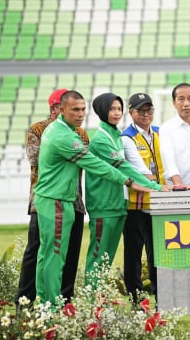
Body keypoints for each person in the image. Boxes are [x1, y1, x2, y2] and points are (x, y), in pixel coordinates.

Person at [34, 90, 154, 305]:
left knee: (48, 254)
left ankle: (45, 303)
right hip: (57, 200)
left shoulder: (67, 131)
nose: (80, 114)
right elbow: (96, 164)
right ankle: (52, 306)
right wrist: (129, 181)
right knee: (55, 255)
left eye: (82, 110)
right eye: (75, 110)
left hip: (57, 198)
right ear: (61, 110)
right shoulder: (64, 136)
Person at [84, 93, 169, 288]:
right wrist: (155, 186)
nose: (116, 113)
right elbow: (125, 167)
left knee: (106, 259)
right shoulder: (102, 139)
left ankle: (97, 302)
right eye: (112, 109)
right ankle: (90, 302)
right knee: (98, 257)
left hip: (117, 204)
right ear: (102, 111)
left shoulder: (114, 135)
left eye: (118, 109)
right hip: (103, 205)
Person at [17, 88, 86, 305]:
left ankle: (64, 298)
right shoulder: (38, 129)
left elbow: (86, 160)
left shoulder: (80, 132)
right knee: (37, 250)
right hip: (45, 199)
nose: (62, 111)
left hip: (73, 198)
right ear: (54, 107)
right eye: (58, 107)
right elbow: (35, 160)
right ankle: (25, 300)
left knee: (70, 251)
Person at [121, 93, 166, 303]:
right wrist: (159, 187)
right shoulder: (126, 137)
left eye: (149, 110)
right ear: (131, 113)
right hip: (135, 205)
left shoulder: (159, 133)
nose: (146, 114)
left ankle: (161, 295)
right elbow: (139, 171)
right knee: (134, 253)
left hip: (158, 203)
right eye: (141, 110)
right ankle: (136, 298)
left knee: (158, 252)